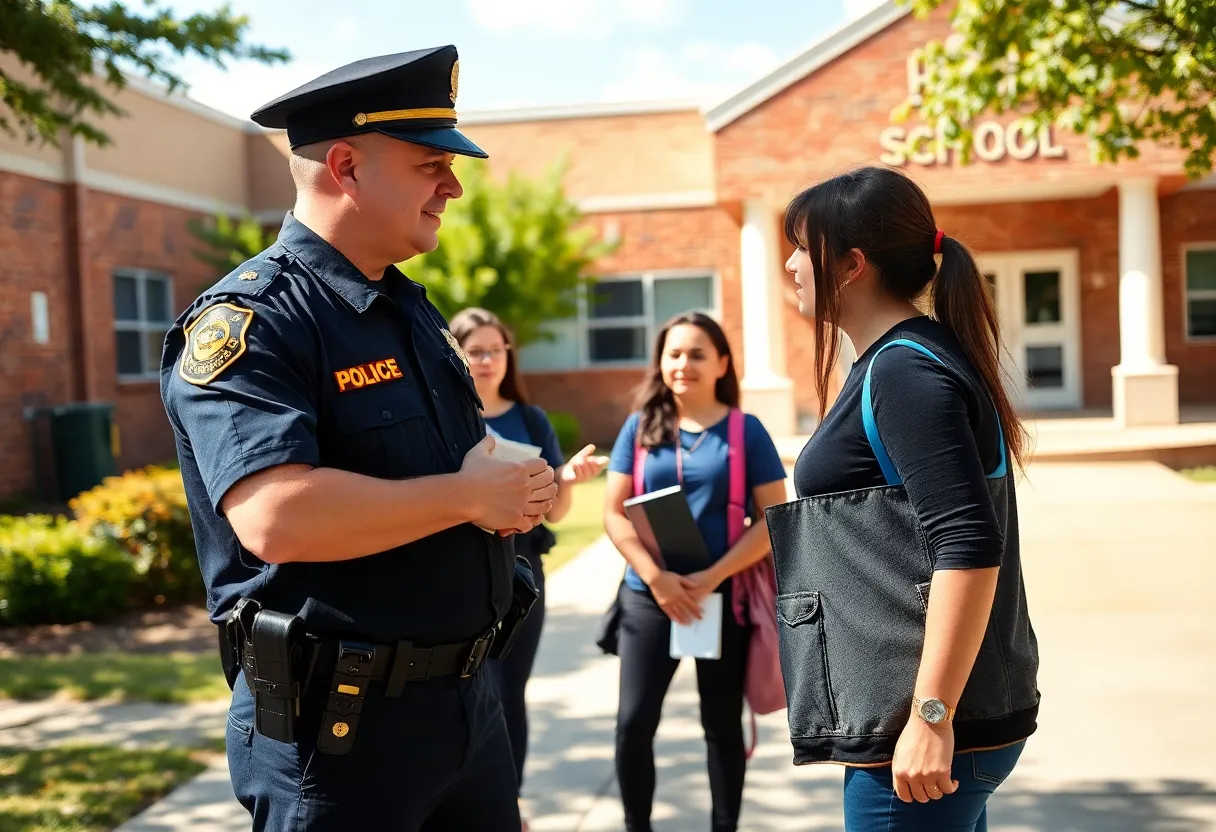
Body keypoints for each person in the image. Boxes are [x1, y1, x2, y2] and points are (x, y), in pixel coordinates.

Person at [159, 47, 558, 832]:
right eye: (429, 164)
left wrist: (509, 493)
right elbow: (276, 516)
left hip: (468, 712)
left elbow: (452, 468)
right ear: (346, 166)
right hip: (340, 737)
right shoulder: (253, 322)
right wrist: (466, 495)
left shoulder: (409, 308)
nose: (453, 185)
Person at [768, 165, 1040, 832]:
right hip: (929, 719)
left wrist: (930, 717)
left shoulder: (904, 370)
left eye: (804, 246)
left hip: (920, 731)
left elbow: (970, 545)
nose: (792, 264)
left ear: (852, 264)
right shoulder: (906, 359)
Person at [602, 312, 788, 832]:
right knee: (633, 725)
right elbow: (613, 513)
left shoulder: (745, 431)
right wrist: (656, 579)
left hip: (720, 598)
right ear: (661, 362)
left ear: (722, 363)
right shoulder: (638, 428)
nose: (683, 364)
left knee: (722, 728)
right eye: (674, 353)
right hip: (648, 596)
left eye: (698, 354)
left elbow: (774, 519)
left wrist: (710, 578)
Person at [448, 306, 608, 827]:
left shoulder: (531, 418)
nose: (487, 360)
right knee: (464, 690)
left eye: (496, 349)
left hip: (520, 575)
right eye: (475, 350)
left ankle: (506, 804)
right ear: (456, 354)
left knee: (506, 689)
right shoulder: (447, 416)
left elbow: (555, 510)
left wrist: (567, 482)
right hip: (457, 571)